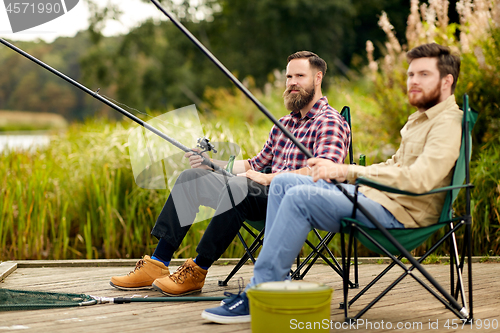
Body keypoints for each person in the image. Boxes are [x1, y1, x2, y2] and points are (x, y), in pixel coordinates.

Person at [201, 42, 463, 323]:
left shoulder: (447, 123)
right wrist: (338, 170)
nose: (413, 81)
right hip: (377, 199)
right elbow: (394, 166)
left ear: (446, 81)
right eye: (411, 74)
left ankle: (260, 292)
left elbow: (419, 179)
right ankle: (278, 282)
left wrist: (349, 171)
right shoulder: (420, 120)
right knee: (285, 182)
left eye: (423, 74)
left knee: (299, 198)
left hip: (401, 214)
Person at [110, 51, 351, 296]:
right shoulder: (284, 124)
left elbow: (325, 170)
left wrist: (267, 178)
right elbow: (254, 164)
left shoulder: (328, 121)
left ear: (318, 78)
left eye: (300, 75)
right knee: (191, 179)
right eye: (289, 76)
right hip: (260, 195)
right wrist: (211, 163)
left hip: (298, 201)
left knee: (240, 187)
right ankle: (158, 263)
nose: (292, 82)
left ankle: (197, 270)